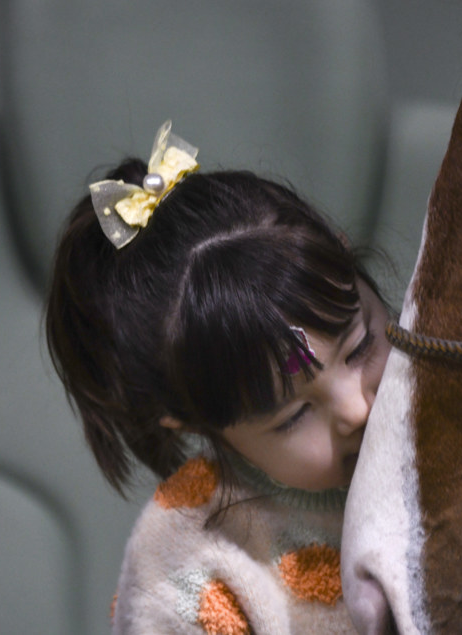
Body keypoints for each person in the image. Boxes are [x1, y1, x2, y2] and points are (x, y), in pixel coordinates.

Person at [45, 121, 391, 634]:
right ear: (187, 420)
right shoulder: (185, 567)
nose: (357, 409)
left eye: (360, 347)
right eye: (295, 414)